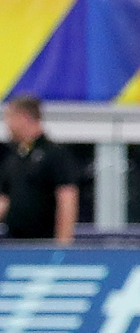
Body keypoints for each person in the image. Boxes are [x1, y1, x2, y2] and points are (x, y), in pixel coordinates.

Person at [0, 96, 79, 243]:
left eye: (10, 118)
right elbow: (4, 199)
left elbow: (67, 198)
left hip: (44, 243)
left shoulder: (54, 154)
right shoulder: (14, 157)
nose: (7, 124)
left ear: (24, 118)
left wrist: (63, 243)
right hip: (15, 242)